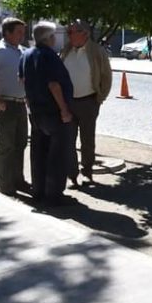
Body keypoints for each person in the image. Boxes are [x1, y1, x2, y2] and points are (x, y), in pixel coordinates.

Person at [20, 21, 75, 205]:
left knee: (38, 153)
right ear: (49, 38)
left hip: (36, 112)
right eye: (54, 35)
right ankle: (53, 195)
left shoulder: (26, 54)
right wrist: (64, 110)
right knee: (57, 155)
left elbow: (23, 80)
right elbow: (54, 85)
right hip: (53, 113)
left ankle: (38, 191)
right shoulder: (49, 56)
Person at [0, 17, 29, 196]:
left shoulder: (21, 51)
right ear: (7, 32)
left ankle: (18, 180)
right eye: (18, 32)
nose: (22, 36)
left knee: (21, 143)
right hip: (5, 104)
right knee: (6, 145)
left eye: (23, 32)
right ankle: (4, 183)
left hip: (20, 103)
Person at [61, 20, 112, 182]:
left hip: (88, 102)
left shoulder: (96, 51)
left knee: (87, 140)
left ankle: (87, 170)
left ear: (84, 33)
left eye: (72, 31)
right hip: (68, 103)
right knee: (68, 139)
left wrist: (100, 98)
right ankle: (72, 174)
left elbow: (106, 76)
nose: (68, 34)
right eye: (68, 31)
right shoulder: (66, 50)